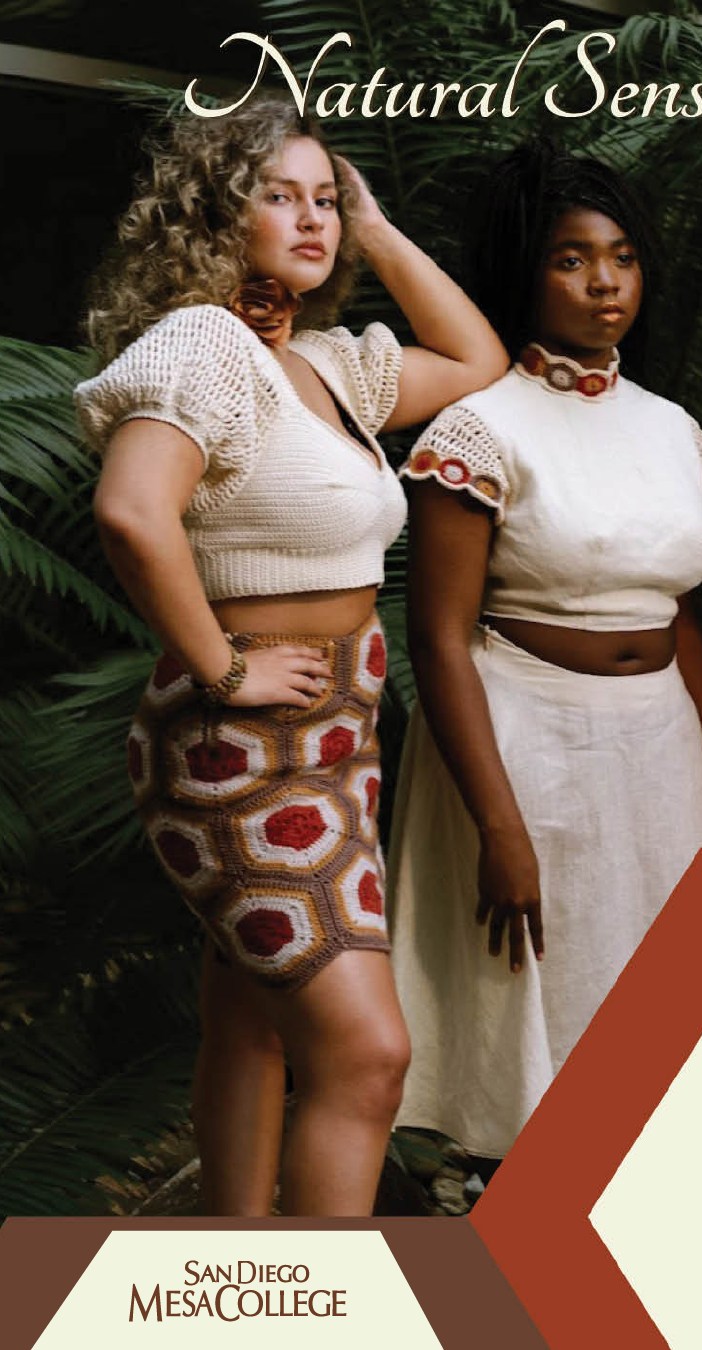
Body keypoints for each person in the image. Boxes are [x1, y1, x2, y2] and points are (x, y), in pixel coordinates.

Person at [73, 98, 506, 1214]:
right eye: (283, 196)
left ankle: (238, 1262)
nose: (314, 221)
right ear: (219, 212)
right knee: (365, 1055)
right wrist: (227, 667)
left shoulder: (322, 365)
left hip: (336, 739)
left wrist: (375, 224)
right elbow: (132, 511)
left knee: (256, 1025)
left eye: (328, 200)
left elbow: (476, 359)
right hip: (239, 747)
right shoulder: (205, 344)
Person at [387, 143, 702, 1161]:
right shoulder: (479, 429)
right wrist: (499, 825)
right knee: (532, 1026)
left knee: (654, 1025)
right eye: (573, 259)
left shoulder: (673, 429)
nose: (605, 283)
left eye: (623, 257)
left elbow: (680, 616)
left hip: (659, 748)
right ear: (523, 271)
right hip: (526, 737)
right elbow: (437, 639)